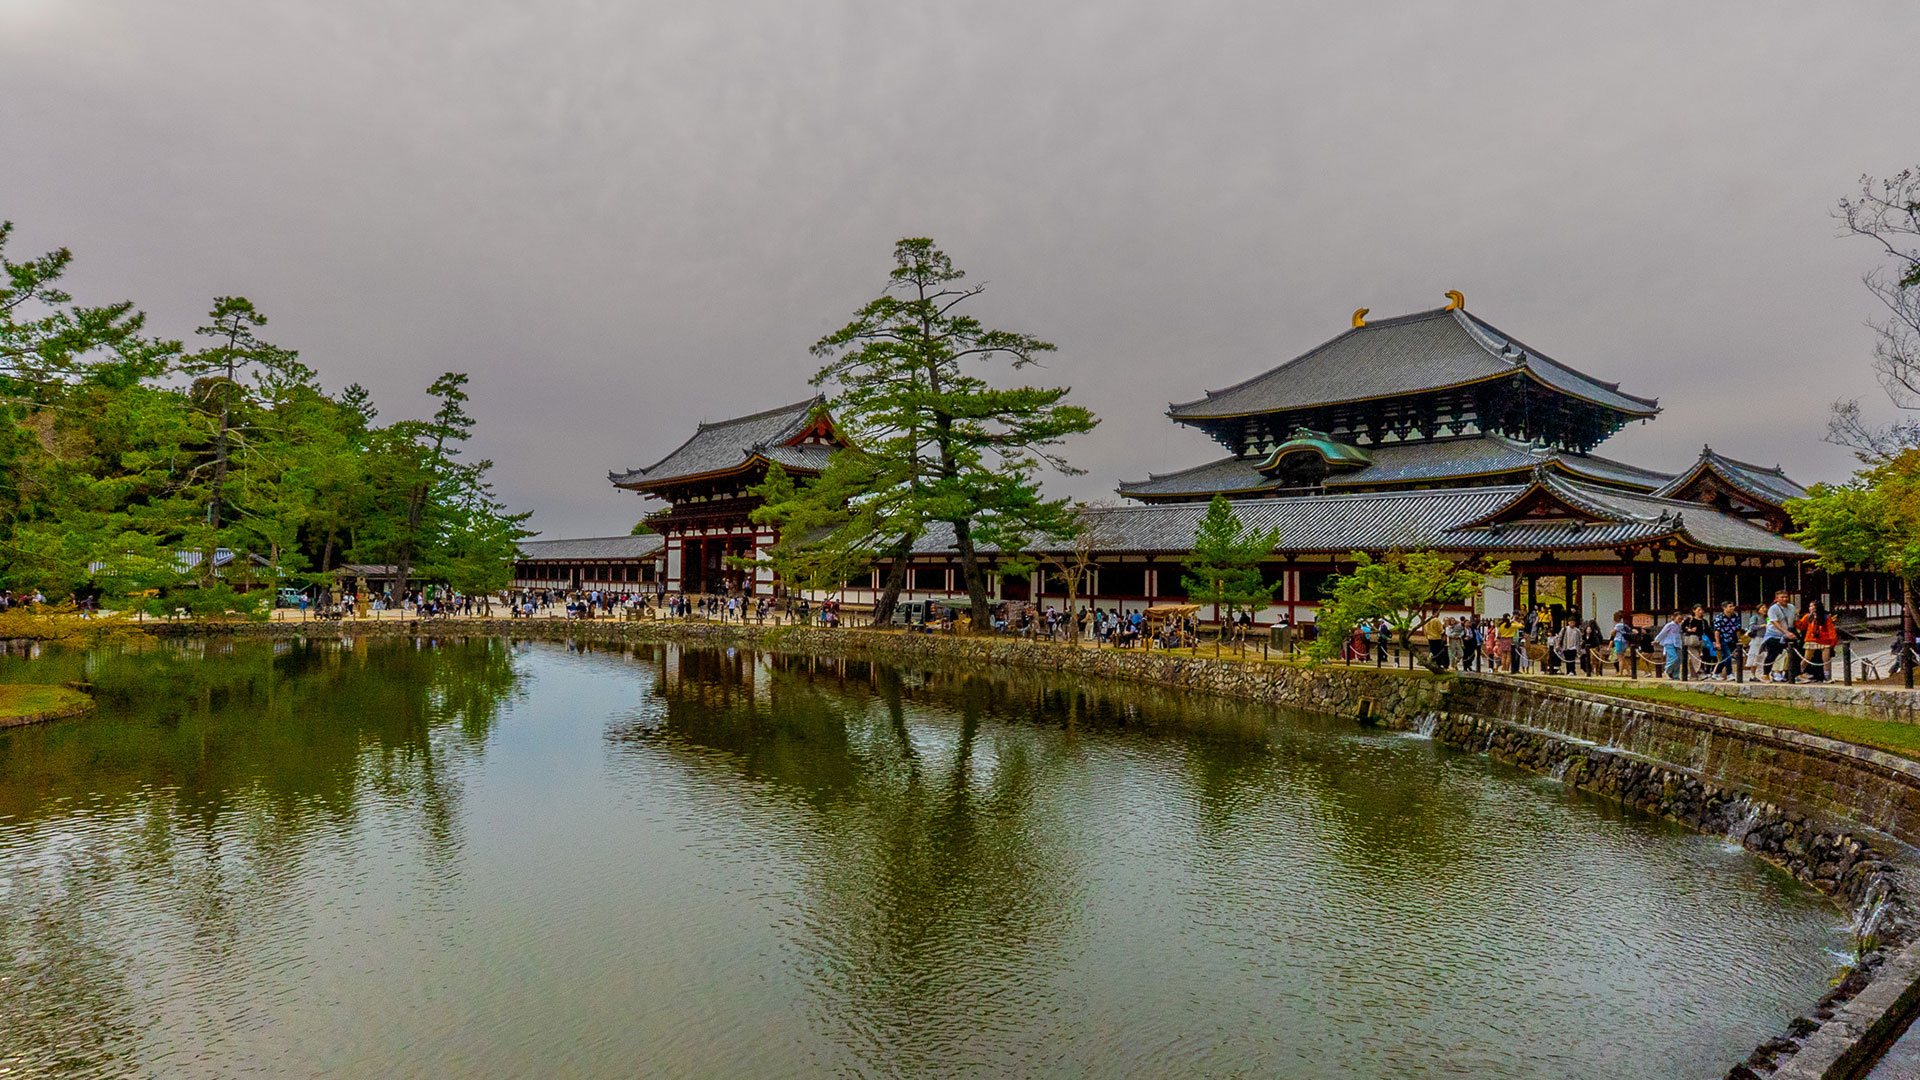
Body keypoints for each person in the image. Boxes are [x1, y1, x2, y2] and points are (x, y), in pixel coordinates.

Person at [1764, 590, 1798, 682]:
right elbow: (1774, 622)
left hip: (1788, 634)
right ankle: (1766, 674)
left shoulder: (1791, 607)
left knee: (1794, 653)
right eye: (1782, 597)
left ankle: (1789, 674)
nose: (1785, 599)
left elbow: (1794, 621)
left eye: (1786, 597)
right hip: (1774, 634)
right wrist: (1785, 632)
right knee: (1773, 654)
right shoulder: (1773, 609)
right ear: (1777, 598)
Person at [1799, 601, 1837, 682]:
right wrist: (1795, 620)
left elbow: (1831, 630)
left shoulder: (1826, 617)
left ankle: (1827, 677)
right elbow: (1802, 626)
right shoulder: (1808, 616)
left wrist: (1833, 642)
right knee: (1806, 658)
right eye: (1810, 606)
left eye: (1812, 606)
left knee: (1826, 660)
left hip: (1824, 640)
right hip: (1811, 639)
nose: (1810, 608)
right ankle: (1799, 672)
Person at [1712, 601, 1742, 680]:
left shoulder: (1735, 616)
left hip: (1732, 639)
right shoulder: (1719, 617)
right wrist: (1717, 642)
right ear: (1724, 608)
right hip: (1722, 639)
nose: (1732, 608)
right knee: (1728, 656)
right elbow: (1716, 630)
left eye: (1733, 606)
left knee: (1725, 657)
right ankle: (1729, 673)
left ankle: (1716, 673)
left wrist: (1738, 639)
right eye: (1730, 606)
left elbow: (1737, 629)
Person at [1654, 612, 1684, 679]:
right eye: (1678, 618)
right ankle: (1667, 670)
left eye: (1681, 619)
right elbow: (1662, 633)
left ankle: (1675, 675)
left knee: (1678, 660)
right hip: (1669, 643)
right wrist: (1656, 640)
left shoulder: (1679, 626)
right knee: (1673, 657)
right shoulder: (1669, 625)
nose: (1679, 620)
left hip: (1677, 644)